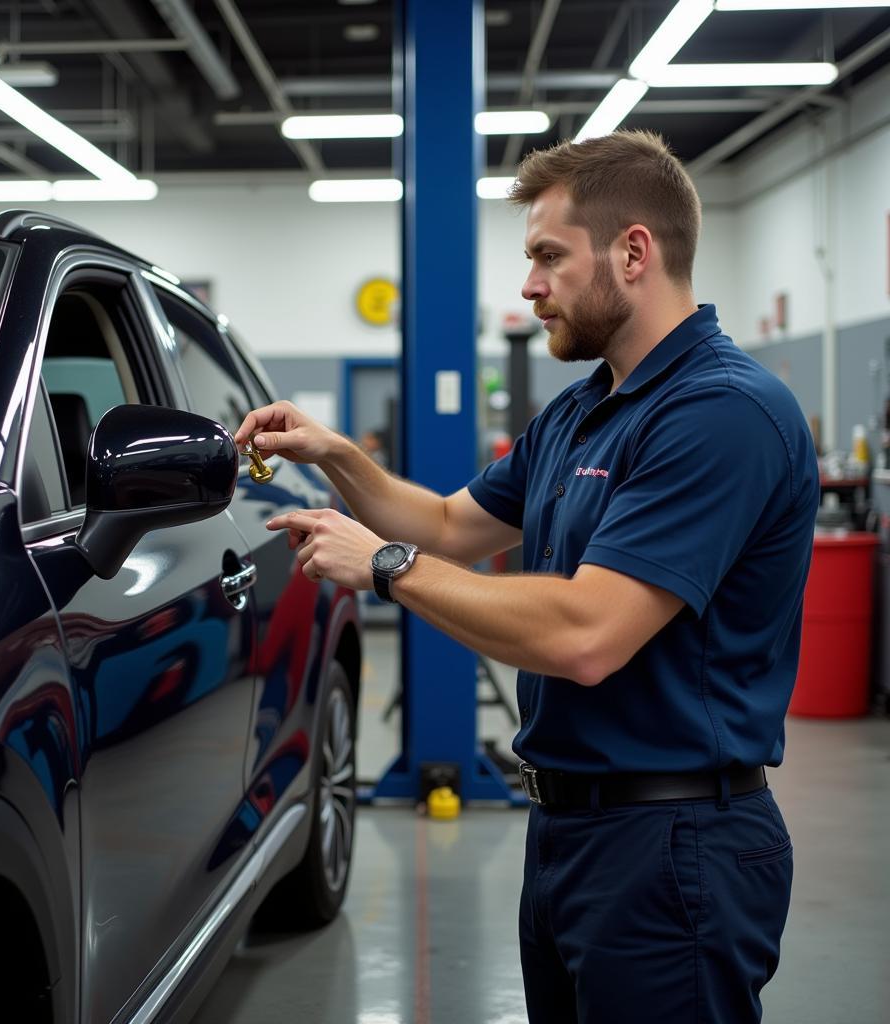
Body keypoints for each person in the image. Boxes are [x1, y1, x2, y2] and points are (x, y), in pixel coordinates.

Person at [234, 130, 819, 1024]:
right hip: (568, 834)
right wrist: (338, 455)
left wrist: (383, 567)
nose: (529, 284)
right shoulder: (584, 413)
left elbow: (586, 635)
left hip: (672, 845)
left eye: (549, 255)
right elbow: (447, 525)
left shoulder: (722, 412)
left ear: (633, 252)